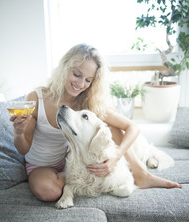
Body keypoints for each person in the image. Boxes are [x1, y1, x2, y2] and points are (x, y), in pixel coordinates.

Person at [10, 43, 182, 202]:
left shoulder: (87, 102)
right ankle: (79, 180)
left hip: (72, 161)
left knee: (110, 127)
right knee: (50, 192)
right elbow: (23, 149)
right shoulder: (37, 97)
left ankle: (140, 173)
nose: (80, 84)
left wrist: (116, 156)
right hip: (41, 165)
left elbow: (132, 127)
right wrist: (18, 132)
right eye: (77, 74)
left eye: (88, 80)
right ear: (65, 67)